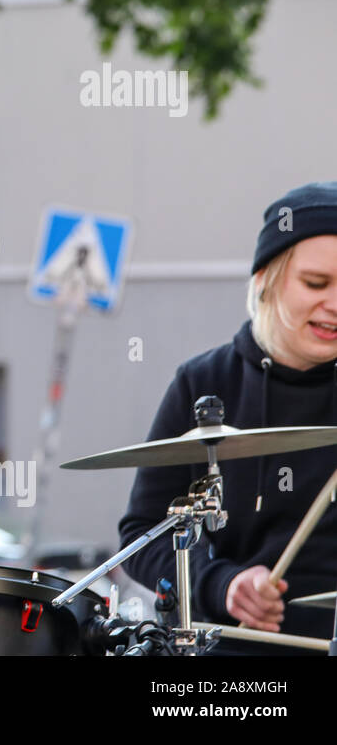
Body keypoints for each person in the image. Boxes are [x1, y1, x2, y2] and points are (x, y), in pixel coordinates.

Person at [119, 182, 337, 650]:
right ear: (266, 278)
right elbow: (142, 537)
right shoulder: (203, 382)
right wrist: (221, 584)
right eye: (316, 283)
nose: (334, 304)